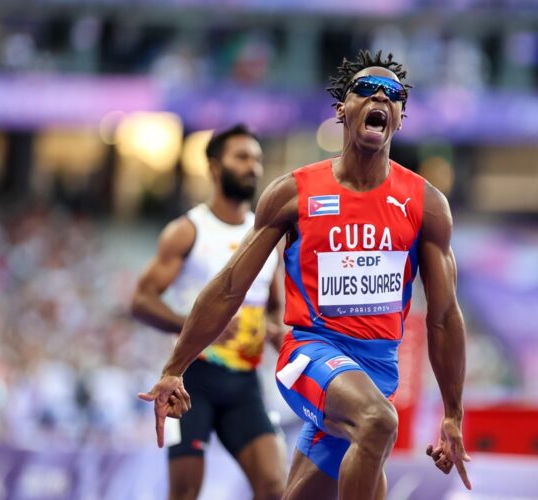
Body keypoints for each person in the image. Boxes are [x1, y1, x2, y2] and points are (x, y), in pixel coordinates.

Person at [139, 50, 472, 500]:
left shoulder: (426, 204)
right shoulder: (294, 193)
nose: (380, 96)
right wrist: (175, 367)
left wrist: (453, 413)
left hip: (377, 370)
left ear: (400, 116)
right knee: (377, 423)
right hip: (310, 355)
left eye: (392, 94)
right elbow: (231, 286)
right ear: (343, 109)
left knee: (305, 487)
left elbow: (444, 316)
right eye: (365, 90)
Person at [132, 125, 286, 500]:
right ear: (215, 168)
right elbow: (140, 300)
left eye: (257, 159)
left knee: (275, 487)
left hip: (244, 384)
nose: (253, 167)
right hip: (188, 380)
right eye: (242, 157)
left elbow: (275, 305)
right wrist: (200, 326)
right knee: (184, 493)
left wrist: (273, 327)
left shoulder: (265, 234)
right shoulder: (187, 231)